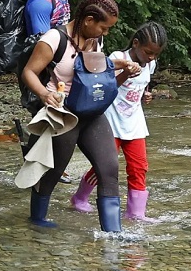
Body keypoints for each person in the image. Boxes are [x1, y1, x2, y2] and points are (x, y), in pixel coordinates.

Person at [21, 0, 141, 230]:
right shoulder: (54, 39)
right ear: (88, 20)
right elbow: (29, 72)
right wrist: (45, 95)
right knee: (53, 172)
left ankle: (113, 233)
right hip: (63, 114)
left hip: (91, 113)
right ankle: (37, 221)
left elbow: (97, 67)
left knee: (109, 168)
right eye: (103, 28)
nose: (105, 33)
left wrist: (125, 67)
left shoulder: (94, 41)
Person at [71, 22, 167, 222]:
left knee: (139, 167)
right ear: (136, 43)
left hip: (135, 124)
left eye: (155, 55)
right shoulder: (117, 58)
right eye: (148, 52)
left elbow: (141, 86)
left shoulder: (150, 64)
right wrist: (125, 73)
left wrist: (145, 95)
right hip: (111, 123)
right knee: (105, 167)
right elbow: (105, 87)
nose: (151, 58)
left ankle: (136, 212)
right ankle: (80, 198)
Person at [24, 0, 90, 184]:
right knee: (44, 118)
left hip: (59, 71)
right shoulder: (41, 1)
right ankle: (36, 168)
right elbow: (40, 43)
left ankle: (49, 168)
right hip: (42, 72)